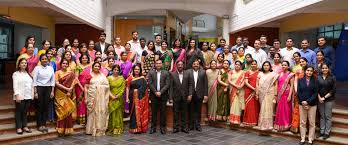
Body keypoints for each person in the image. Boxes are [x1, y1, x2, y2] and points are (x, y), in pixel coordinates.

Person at [54, 59, 79, 136]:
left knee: (68, 110)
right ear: (60, 64)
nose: (65, 65)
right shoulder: (57, 73)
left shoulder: (71, 73)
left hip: (68, 93)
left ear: (68, 65)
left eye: (66, 63)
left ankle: (68, 129)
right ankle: (60, 129)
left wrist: (69, 91)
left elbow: (73, 83)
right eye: (63, 63)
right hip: (60, 93)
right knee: (61, 110)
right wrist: (66, 89)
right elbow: (56, 83)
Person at [85, 62, 110, 136]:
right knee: (92, 113)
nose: (97, 67)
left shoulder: (103, 76)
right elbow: (86, 87)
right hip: (91, 96)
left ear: (100, 67)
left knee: (99, 112)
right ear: (92, 67)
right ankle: (90, 129)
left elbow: (107, 86)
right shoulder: (89, 75)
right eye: (95, 66)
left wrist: (99, 87)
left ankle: (99, 128)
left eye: (98, 66)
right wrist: (86, 97)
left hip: (101, 98)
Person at [32, 54, 55, 133]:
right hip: (39, 88)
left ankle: (44, 124)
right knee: (39, 106)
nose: (44, 60)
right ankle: (39, 125)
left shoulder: (51, 68)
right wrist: (35, 92)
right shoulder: (37, 68)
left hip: (48, 88)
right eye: (43, 59)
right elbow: (34, 80)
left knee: (45, 107)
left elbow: (53, 80)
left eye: (46, 59)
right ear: (40, 60)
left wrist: (52, 91)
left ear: (48, 60)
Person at [148, 60, 170, 134]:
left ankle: (162, 128)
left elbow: (167, 84)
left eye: (160, 63)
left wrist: (160, 92)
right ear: (155, 64)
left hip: (163, 95)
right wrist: (155, 92)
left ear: (162, 64)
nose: (158, 65)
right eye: (157, 63)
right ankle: (153, 128)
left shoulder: (166, 73)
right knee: (154, 112)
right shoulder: (151, 73)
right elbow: (150, 84)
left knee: (163, 112)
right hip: (154, 95)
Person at [297, 66, 318, 145]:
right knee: (302, 122)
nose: (309, 72)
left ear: (313, 72)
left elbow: (315, 93)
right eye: (308, 70)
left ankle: (310, 139)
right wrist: (303, 102)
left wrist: (308, 102)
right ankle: (302, 138)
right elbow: (299, 92)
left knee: (312, 123)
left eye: (311, 71)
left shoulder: (315, 81)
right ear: (305, 71)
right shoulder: (300, 80)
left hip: (312, 105)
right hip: (302, 104)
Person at [126, 64, 149, 134]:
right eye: (135, 69)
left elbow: (145, 89)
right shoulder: (130, 77)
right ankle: (133, 128)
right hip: (132, 97)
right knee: (133, 113)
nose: (137, 70)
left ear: (140, 70)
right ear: (133, 70)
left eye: (138, 69)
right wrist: (127, 98)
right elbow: (127, 88)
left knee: (139, 112)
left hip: (140, 98)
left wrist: (137, 92)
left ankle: (140, 128)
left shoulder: (142, 78)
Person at [13, 58, 33, 135]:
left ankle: (25, 126)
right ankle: (19, 127)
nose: (24, 64)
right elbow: (15, 85)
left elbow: (31, 85)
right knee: (19, 112)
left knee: (25, 112)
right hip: (20, 96)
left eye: (25, 63)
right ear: (19, 65)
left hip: (28, 96)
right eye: (22, 63)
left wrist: (32, 94)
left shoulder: (28, 74)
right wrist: (17, 95)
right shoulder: (16, 74)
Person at [256, 61, 278, 130]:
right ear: (262, 66)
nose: (266, 66)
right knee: (262, 108)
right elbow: (257, 84)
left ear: (270, 66)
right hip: (261, 93)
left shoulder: (273, 74)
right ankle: (262, 125)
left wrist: (275, 94)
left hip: (270, 93)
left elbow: (275, 85)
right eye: (264, 65)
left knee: (269, 109)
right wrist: (257, 93)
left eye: (267, 65)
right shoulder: (260, 74)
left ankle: (269, 125)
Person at [187, 60, 208, 132]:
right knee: (190, 110)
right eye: (194, 64)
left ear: (199, 65)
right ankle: (191, 125)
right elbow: (186, 84)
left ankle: (198, 125)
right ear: (192, 65)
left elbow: (205, 84)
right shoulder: (188, 72)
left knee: (198, 110)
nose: (196, 65)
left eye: (197, 64)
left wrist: (205, 94)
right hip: (191, 94)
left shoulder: (203, 72)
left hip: (199, 94)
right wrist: (188, 94)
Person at [169, 61, 190, 133]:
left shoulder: (187, 73)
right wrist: (170, 98)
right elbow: (171, 86)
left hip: (185, 96)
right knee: (176, 113)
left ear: (183, 65)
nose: (180, 66)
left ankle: (184, 127)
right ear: (176, 66)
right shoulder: (172, 74)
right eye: (179, 65)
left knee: (184, 113)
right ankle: (176, 128)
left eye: (181, 65)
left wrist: (190, 94)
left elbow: (190, 85)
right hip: (176, 97)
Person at [274, 61, 294, 131]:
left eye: (285, 65)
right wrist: (276, 94)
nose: (283, 66)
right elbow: (277, 84)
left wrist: (289, 95)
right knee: (280, 110)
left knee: (286, 110)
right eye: (282, 65)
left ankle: (286, 125)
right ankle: (279, 125)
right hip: (279, 93)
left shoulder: (290, 75)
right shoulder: (279, 74)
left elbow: (292, 86)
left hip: (286, 94)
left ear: (288, 66)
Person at [317, 64, 336, 140]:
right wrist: (319, 98)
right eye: (323, 68)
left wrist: (324, 98)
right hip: (320, 99)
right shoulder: (318, 78)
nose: (324, 69)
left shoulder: (332, 77)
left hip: (329, 99)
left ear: (328, 69)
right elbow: (316, 89)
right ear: (321, 69)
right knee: (322, 116)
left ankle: (327, 133)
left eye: (326, 68)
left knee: (328, 116)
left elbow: (333, 90)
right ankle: (322, 132)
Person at [107, 64, 126, 135]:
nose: (116, 71)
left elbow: (123, 88)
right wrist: (111, 96)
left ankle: (118, 128)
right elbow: (107, 88)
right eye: (115, 70)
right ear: (112, 70)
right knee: (112, 113)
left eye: (118, 70)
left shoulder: (121, 78)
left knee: (118, 113)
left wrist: (118, 95)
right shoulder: (108, 78)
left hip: (119, 98)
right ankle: (111, 128)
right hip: (111, 98)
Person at [290, 57, 308, 133]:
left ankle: (304, 128)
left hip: (308, 94)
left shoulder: (309, 71)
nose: (301, 63)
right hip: (299, 93)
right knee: (297, 109)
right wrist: (297, 91)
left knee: (306, 111)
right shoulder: (298, 71)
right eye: (300, 62)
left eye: (303, 61)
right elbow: (295, 82)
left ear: (306, 62)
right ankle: (295, 127)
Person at [75, 53, 91, 125]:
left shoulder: (90, 67)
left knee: (87, 102)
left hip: (89, 86)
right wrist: (81, 87)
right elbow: (76, 78)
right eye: (83, 58)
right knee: (81, 102)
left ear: (88, 59)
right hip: (79, 87)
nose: (84, 59)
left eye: (86, 58)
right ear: (80, 59)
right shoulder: (78, 67)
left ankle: (88, 119)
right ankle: (81, 120)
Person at [243, 60, 259, 126]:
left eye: (255, 64)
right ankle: (247, 121)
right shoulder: (247, 72)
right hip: (249, 91)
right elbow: (246, 82)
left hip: (256, 91)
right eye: (252, 64)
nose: (253, 65)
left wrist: (256, 90)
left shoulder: (259, 73)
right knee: (249, 106)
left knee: (255, 107)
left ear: (257, 65)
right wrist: (253, 88)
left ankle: (254, 121)